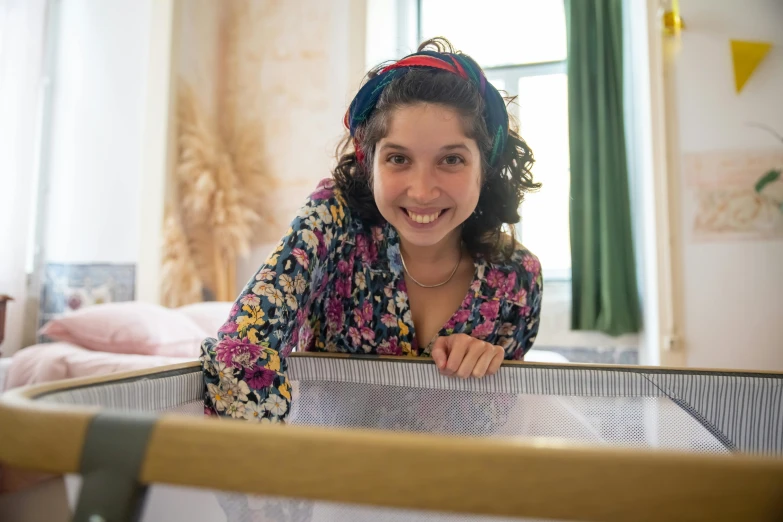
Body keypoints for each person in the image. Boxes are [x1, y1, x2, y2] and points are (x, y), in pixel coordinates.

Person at [200, 37, 542, 422]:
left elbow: (490, 423)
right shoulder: (334, 222)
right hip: (324, 475)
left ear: (486, 165)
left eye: (451, 159)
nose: (423, 191)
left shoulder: (517, 279)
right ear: (369, 163)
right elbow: (248, 339)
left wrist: (480, 368)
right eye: (398, 158)